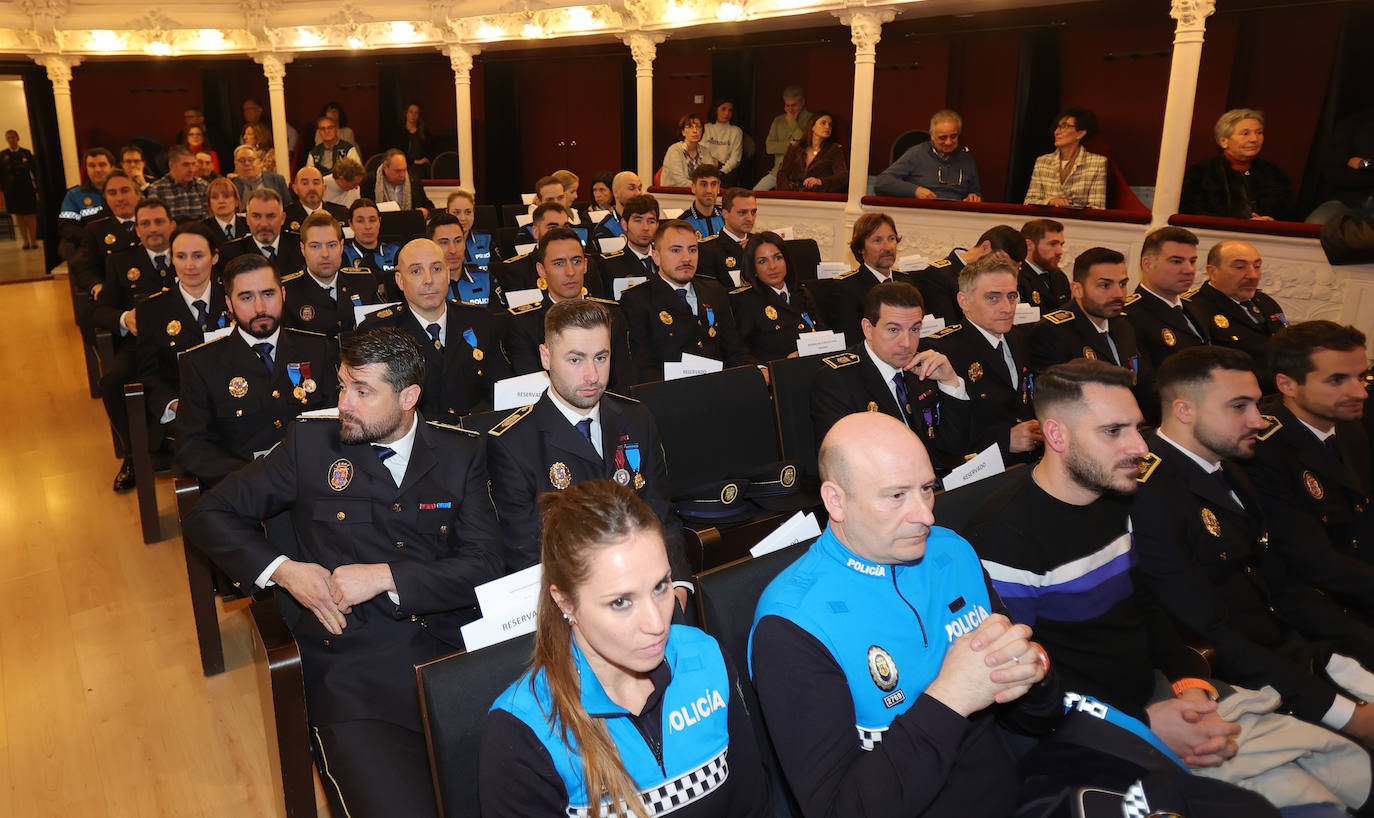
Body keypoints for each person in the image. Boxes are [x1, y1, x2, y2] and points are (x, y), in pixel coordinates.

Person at [185, 326, 503, 818]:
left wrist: (386, 576)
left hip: (449, 657)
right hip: (354, 668)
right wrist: (284, 570)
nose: (343, 404)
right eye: (341, 386)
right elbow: (211, 513)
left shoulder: (460, 454)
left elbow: (484, 566)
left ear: (409, 398)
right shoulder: (310, 446)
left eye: (362, 391)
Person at [969, 359, 1307, 815]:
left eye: (1137, 428)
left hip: (1155, 694)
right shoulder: (1005, 537)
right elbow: (1024, 686)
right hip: (1081, 730)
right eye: (1113, 431)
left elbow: (1143, 599)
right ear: (1056, 435)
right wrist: (1143, 723)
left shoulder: (1116, 496)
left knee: (1326, 774)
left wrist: (1185, 680)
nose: (1140, 447)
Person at [749, 411, 1058, 818]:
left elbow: (1037, 717)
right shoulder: (792, 624)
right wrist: (951, 696)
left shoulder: (952, 551)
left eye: (927, 489)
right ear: (835, 500)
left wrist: (1036, 672)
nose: (926, 516)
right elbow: (839, 810)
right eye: (896, 496)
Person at [1133, 345, 1374, 748]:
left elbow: (1281, 585)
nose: (1258, 421)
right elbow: (1207, 631)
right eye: (1239, 406)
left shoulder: (1232, 470)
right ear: (1184, 410)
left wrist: (1347, 651)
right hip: (1231, 679)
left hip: (1291, 651)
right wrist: (1343, 713)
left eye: (1257, 405)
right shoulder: (1149, 494)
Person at [480, 479, 768, 816]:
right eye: (620, 602)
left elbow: (753, 807)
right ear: (565, 602)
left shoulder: (705, 658)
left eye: (661, 586)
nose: (657, 623)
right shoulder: (524, 731)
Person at [487, 298, 680, 569]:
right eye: (576, 359)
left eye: (601, 358)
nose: (592, 375)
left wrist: (678, 581)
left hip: (646, 574)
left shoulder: (637, 418)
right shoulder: (513, 444)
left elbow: (660, 516)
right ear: (546, 357)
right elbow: (527, 555)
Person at [175, 253, 338, 486]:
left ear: (282, 294)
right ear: (229, 304)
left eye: (268, 294)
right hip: (245, 489)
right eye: (246, 298)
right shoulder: (202, 363)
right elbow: (191, 447)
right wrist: (257, 475)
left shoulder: (317, 349)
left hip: (313, 480)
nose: (260, 307)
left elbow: (334, 421)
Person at [1246, 321, 1374, 600]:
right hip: (1318, 596)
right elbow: (1311, 560)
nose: (1360, 392)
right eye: (1337, 380)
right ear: (1287, 384)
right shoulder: (1263, 449)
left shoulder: (1348, 424)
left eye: (1361, 376)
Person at [810, 281, 970, 473]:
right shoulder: (836, 380)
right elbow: (843, 465)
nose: (907, 343)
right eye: (894, 330)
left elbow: (955, 446)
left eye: (914, 329)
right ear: (868, 329)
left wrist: (949, 383)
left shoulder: (925, 363)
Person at [357, 238, 511, 420]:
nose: (428, 280)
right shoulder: (378, 331)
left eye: (436, 269)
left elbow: (500, 389)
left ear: (447, 274)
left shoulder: (480, 320)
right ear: (400, 280)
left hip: (475, 434)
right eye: (416, 271)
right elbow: (372, 404)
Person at [95, 197, 179, 491]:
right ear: (137, 230)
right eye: (146, 223)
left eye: (159, 222)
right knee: (113, 382)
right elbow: (99, 311)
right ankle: (134, 455)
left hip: (185, 342)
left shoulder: (188, 254)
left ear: (172, 225)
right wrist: (124, 317)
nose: (153, 229)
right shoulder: (121, 261)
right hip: (140, 344)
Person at [925, 255, 1043, 465]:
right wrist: (1004, 440)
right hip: (982, 474)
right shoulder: (944, 351)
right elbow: (944, 438)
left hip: (1030, 464)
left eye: (1012, 296)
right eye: (993, 298)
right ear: (964, 301)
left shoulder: (1019, 338)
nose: (1007, 308)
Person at [131, 222, 232, 448]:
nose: (189, 265)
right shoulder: (152, 310)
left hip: (236, 401)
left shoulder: (236, 299)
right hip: (186, 412)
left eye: (198, 256)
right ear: (171, 259)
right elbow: (150, 373)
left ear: (214, 257)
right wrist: (174, 405)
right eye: (181, 256)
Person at [620, 219, 753, 383]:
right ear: (656, 257)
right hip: (669, 394)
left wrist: (757, 371)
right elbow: (641, 367)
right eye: (676, 250)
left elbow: (734, 349)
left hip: (719, 387)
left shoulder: (714, 290)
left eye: (692, 250)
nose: (686, 258)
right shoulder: (637, 300)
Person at [503, 227, 634, 391]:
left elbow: (623, 379)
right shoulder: (524, 323)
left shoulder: (611, 314)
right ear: (541, 270)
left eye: (577, 261)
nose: (570, 271)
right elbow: (532, 387)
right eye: (559, 263)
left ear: (585, 265)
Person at [1029, 247, 1150, 410]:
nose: (1118, 294)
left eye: (1122, 284)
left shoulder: (1123, 324)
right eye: (1105, 285)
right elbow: (1058, 401)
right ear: (1077, 290)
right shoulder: (1052, 331)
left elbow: (1142, 384)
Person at [1185, 239, 1287, 386]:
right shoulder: (1194, 308)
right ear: (1212, 272)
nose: (1253, 275)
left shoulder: (1265, 302)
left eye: (1257, 266)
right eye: (1240, 267)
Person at [730, 230, 827, 362]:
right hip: (778, 376)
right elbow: (741, 354)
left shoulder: (801, 293)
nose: (772, 266)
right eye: (762, 261)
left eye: (778, 258)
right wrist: (782, 363)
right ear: (753, 269)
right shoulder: (746, 302)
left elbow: (823, 334)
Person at [1123, 226, 1211, 369]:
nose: (1189, 270)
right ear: (1148, 264)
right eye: (1177, 261)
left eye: (1192, 261)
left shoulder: (1194, 307)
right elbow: (1144, 383)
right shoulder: (1130, 316)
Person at [281, 211, 379, 338]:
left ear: (341, 246)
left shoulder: (363, 283)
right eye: (315, 246)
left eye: (331, 245)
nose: (325, 254)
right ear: (302, 249)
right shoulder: (288, 292)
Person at [1181, 109, 1292, 221]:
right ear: (1224, 141)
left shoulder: (1273, 174)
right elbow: (1191, 214)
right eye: (1245, 133)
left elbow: (1289, 215)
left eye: (1259, 133)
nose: (1254, 139)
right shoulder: (1201, 173)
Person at [909, 224, 1025, 325]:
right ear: (985, 247)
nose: (1001, 269)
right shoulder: (938, 275)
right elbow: (948, 326)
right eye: (1000, 260)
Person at [829, 213, 913, 345]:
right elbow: (852, 343)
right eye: (877, 240)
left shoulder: (907, 282)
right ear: (861, 248)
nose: (887, 247)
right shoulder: (846, 289)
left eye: (891, 239)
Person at [874, 109, 983, 202]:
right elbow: (882, 181)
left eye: (953, 136)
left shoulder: (968, 160)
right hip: (922, 213)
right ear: (932, 135)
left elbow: (976, 192)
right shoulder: (917, 153)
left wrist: (973, 197)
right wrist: (915, 190)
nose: (949, 142)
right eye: (942, 138)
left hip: (958, 216)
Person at [1022, 108, 1108, 209]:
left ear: (1080, 133)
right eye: (1057, 127)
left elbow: (1098, 207)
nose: (1056, 132)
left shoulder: (1097, 163)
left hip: (1078, 223)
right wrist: (1050, 201)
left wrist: (1069, 207)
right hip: (1046, 221)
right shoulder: (1042, 161)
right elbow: (1029, 201)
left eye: (1064, 126)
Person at [218, 188, 305, 276]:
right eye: (256, 216)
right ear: (247, 219)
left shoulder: (301, 246)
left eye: (271, 216)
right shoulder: (231, 254)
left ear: (282, 218)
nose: (264, 224)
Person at [427, 212, 494, 306]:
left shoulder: (486, 279)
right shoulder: (424, 288)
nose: (453, 250)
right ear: (430, 246)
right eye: (444, 243)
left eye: (458, 241)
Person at [696, 187, 757, 290]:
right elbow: (711, 293)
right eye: (742, 212)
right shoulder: (707, 250)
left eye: (753, 212)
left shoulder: (759, 245)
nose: (750, 218)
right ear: (725, 214)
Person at [58, 147, 116, 252]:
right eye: (92, 166)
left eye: (102, 165)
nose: (97, 170)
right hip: (90, 247)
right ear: (87, 169)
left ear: (112, 167)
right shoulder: (74, 195)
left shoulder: (122, 191)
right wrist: (93, 238)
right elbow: (66, 226)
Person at [776, 110, 848, 193]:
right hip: (792, 197)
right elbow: (782, 174)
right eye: (823, 123)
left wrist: (820, 181)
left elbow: (843, 177)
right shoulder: (795, 147)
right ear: (812, 126)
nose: (827, 127)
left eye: (830, 125)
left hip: (818, 198)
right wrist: (786, 196)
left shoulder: (834, 150)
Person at [598, 194, 660, 284]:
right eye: (638, 221)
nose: (645, 228)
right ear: (624, 224)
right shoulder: (610, 265)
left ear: (657, 225)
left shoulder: (666, 259)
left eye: (651, 222)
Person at [756, 86, 810, 191]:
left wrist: (792, 123)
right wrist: (793, 145)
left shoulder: (811, 119)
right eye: (787, 105)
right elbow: (769, 147)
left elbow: (804, 144)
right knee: (754, 195)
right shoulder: (778, 121)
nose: (790, 109)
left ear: (802, 102)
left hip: (800, 175)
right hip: (776, 172)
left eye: (794, 105)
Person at [343, 198, 400, 292]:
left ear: (379, 221)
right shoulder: (343, 253)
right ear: (351, 224)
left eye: (372, 220)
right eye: (360, 221)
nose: (367, 226)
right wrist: (390, 275)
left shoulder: (395, 251)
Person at [1017, 218, 1072, 310]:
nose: (1060, 251)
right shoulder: (1016, 278)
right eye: (1053, 244)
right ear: (1029, 245)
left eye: (1061, 244)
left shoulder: (1059, 277)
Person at [362, 149, 434, 217]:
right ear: (385, 168)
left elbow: (429, 206)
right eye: (398, 171)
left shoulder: (413, 182)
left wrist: (426, 211)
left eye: (404, 170)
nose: (402, 175)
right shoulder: (370, 182)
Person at [146, 145, 210, 221]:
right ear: (171, 165)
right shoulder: (157, 189)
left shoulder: (203, 186)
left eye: (193, 164)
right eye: (186, 165)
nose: (191, 170)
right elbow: (157, 221)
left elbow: (208, 219)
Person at [445, 189, 499, 272]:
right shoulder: (436, 245)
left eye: (468, 212)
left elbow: (500, 274)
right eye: (456, 212)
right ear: (447, 213)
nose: (463, 218)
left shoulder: (487, 240)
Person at [2, 129, 39, 249]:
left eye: (13, 137)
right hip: (12, 190)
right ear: (6, 140)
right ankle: (25, 241)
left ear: (18, 138)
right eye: (9, 138)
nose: (11, 140)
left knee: (30, 214)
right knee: (19, 215)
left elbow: (35, 171)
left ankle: (34, 240)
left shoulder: (26, 153)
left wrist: (38, 188)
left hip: (27, 188)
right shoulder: (3, 155)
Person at [283, 166, 348, 229]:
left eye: (316, 183)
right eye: (305, 183)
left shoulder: (342, 214)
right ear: (295, 189)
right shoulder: (286, 217)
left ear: (324, 188)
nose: (311, 188)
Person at [589, 171, 642, 241]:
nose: (638, 193)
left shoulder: (645, 223)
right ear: (615, 192)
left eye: (639, 188)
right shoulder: (605, 229)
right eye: (632, 188)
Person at [702, 99, 744, 186]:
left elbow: (736, 158)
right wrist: (711, 170)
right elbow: (702, 151)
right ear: (716, 110)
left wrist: (722, 171)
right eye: (723, 109)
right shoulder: (706, 128)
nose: (727, 113)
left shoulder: (736, 131)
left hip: (726, 171)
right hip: (707, 168)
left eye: (730, 110)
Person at [660, 113, 708, 188]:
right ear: (683, 132)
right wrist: (702, 186)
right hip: (674, 194)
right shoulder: (674, 150)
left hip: (699, 192)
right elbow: (679, 181)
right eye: (690, 127)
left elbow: (711, 176)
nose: (695, 130)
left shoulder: (706, 152)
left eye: (698, 127)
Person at [675, 163, 723, 237]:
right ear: (693, 188)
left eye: (713, 184)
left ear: (718, 188)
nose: (709, 190)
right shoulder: (683, 223)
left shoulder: (727, 218)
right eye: (704, 184)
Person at [202, 177, 248, 247]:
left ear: (236, 201)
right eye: (215, 197)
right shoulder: (203, 230)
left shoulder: (249, 224)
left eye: (226, 196)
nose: (221, 201)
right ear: (209, 203)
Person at [396, 102, 432, 175]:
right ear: (406, 113)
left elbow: (429, 152)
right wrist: (415, 161)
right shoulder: (399, 133)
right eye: (411, 112)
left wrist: (425, 160)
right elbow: (397, 154)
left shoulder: (424, 133)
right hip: (404, 166)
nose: (413, 115)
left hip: (421, 167)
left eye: (416, 113)